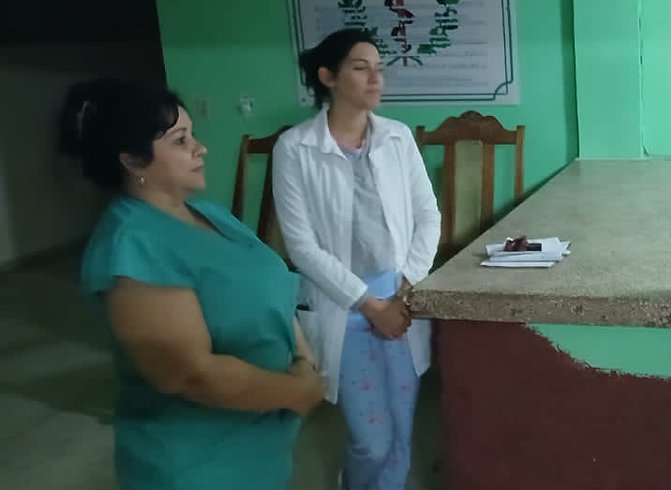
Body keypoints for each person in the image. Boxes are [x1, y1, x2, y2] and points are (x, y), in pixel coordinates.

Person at [59, 77, 326, 489]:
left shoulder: (207, 213)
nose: (200, 148)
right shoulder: (132, 246)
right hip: (199, 464)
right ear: (132, 160)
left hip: (261, 445)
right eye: (180, 140)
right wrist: (296, 393)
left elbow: (273, 287)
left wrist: (304, 363)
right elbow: (190, 375)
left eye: (192, 135)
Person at [272, 28, 441, 489]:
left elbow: (428, 214)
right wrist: (371, 305)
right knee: (373, 441)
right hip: (344, 310)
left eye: (379, 69)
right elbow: (302, 247)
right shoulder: (295, 149)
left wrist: (408, 282)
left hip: (402, 304)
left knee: (402, 435)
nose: (375, 79)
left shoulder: (397, 138)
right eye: (361, 68)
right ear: (328, 76)